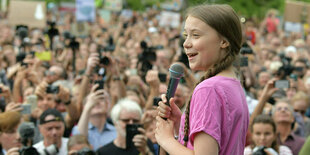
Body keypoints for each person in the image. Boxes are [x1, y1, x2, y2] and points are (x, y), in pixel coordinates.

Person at [156, 4, 249, 155]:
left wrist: (166, 139)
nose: (186, 43)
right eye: (186, 35)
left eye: (196, 35)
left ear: (224, 41)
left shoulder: (209, 89)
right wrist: (183, 123)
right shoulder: (234, 85)